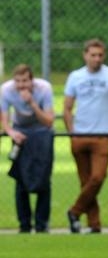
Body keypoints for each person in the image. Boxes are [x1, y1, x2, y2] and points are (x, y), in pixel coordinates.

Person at [63, 38, 108, 234]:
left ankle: (74, 211)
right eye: (93, 55)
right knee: (86, 182)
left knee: (97, 178)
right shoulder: (75, 77)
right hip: (79, 136)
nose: (96, 59)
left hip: (102, 136)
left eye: (100, 55)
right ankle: (94, 225)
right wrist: (71, 134)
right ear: (85, 55)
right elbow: (67, 108)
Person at [1, 64, 55, 233]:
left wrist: (32, 103)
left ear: (32, 80)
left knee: (43, 179)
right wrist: (11, 132)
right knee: (20, 179)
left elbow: (49, 121)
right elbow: (4, 118)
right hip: (20, 133)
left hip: (41, 132)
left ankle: (41, 224)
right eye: (18, 81)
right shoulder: (6, 90)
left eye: (25, 81)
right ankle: (24, 225)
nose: (22, 86)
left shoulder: (44, 88)